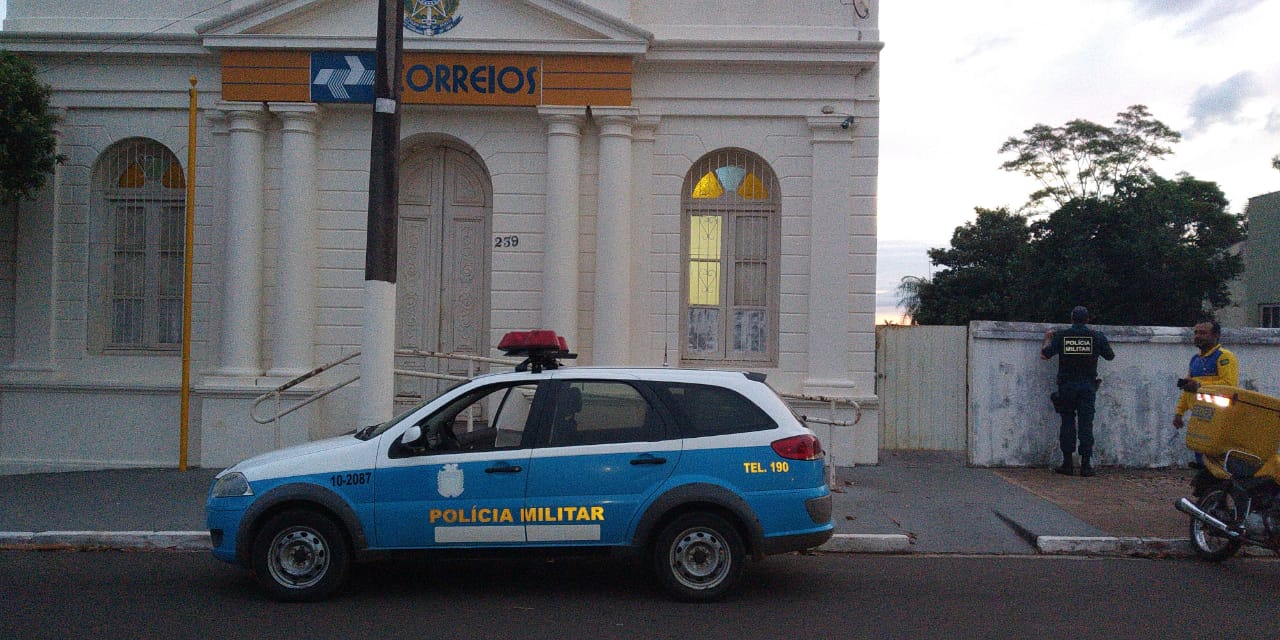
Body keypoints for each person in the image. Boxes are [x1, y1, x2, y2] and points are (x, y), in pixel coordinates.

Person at [1040, 306, 1115, 477]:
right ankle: (1086, 465)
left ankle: (1067, 464)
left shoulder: (1061, 336)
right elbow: (1110, 356)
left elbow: (1044, 355)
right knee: (1086, 425)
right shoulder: (1096, 336)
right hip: (1087, 387)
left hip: (1066, 387)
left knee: (1067, 422)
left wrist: (1047, 338)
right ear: (1087, 320)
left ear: (1071, 319)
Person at [1171, 320, 1238, 468]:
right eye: (1196, 333)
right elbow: (1188, 388)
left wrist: (1199, 386)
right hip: (1199, 415)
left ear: (1216, 336)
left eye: (1203, 333)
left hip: (1218, 415)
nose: (1198, 336)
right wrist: (1179, 412)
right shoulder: (1195, 360)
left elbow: (1229, 384)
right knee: (1200, 454)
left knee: (1215, 458)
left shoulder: (1224, 357)